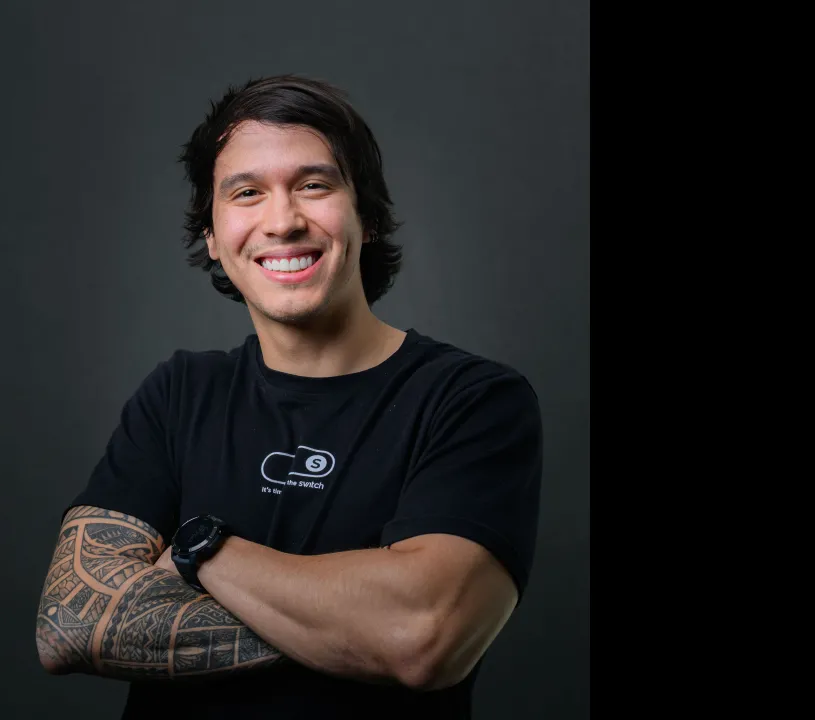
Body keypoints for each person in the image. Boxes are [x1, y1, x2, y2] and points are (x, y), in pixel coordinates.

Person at [34, 74, 542, 719]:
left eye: (314, 185)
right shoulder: (180, 393)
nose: (282, 222)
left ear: (367, 216)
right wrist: (356, 633)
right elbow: (71, 624)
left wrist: (201, 549)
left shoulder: (473, 401)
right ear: (212, 235)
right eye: (246, 193)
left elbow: (422, 636)